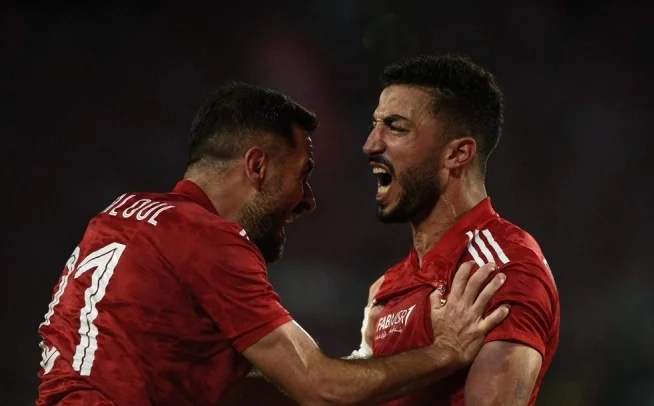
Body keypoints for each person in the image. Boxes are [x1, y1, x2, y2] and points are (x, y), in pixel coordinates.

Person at [36, 82, 511, 406]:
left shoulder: (119, 216)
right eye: (302, 174)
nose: (307, 199)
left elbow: (249, 391)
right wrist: (444, 351)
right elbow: (318, 388)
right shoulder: (208, 239)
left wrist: (366, 366)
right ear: (257, 167)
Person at [355, 55, 561, 405]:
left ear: (457, 154)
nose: (371, 144)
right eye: (375, 125)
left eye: (395, 127)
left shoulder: (501, 270)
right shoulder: (386, 289)